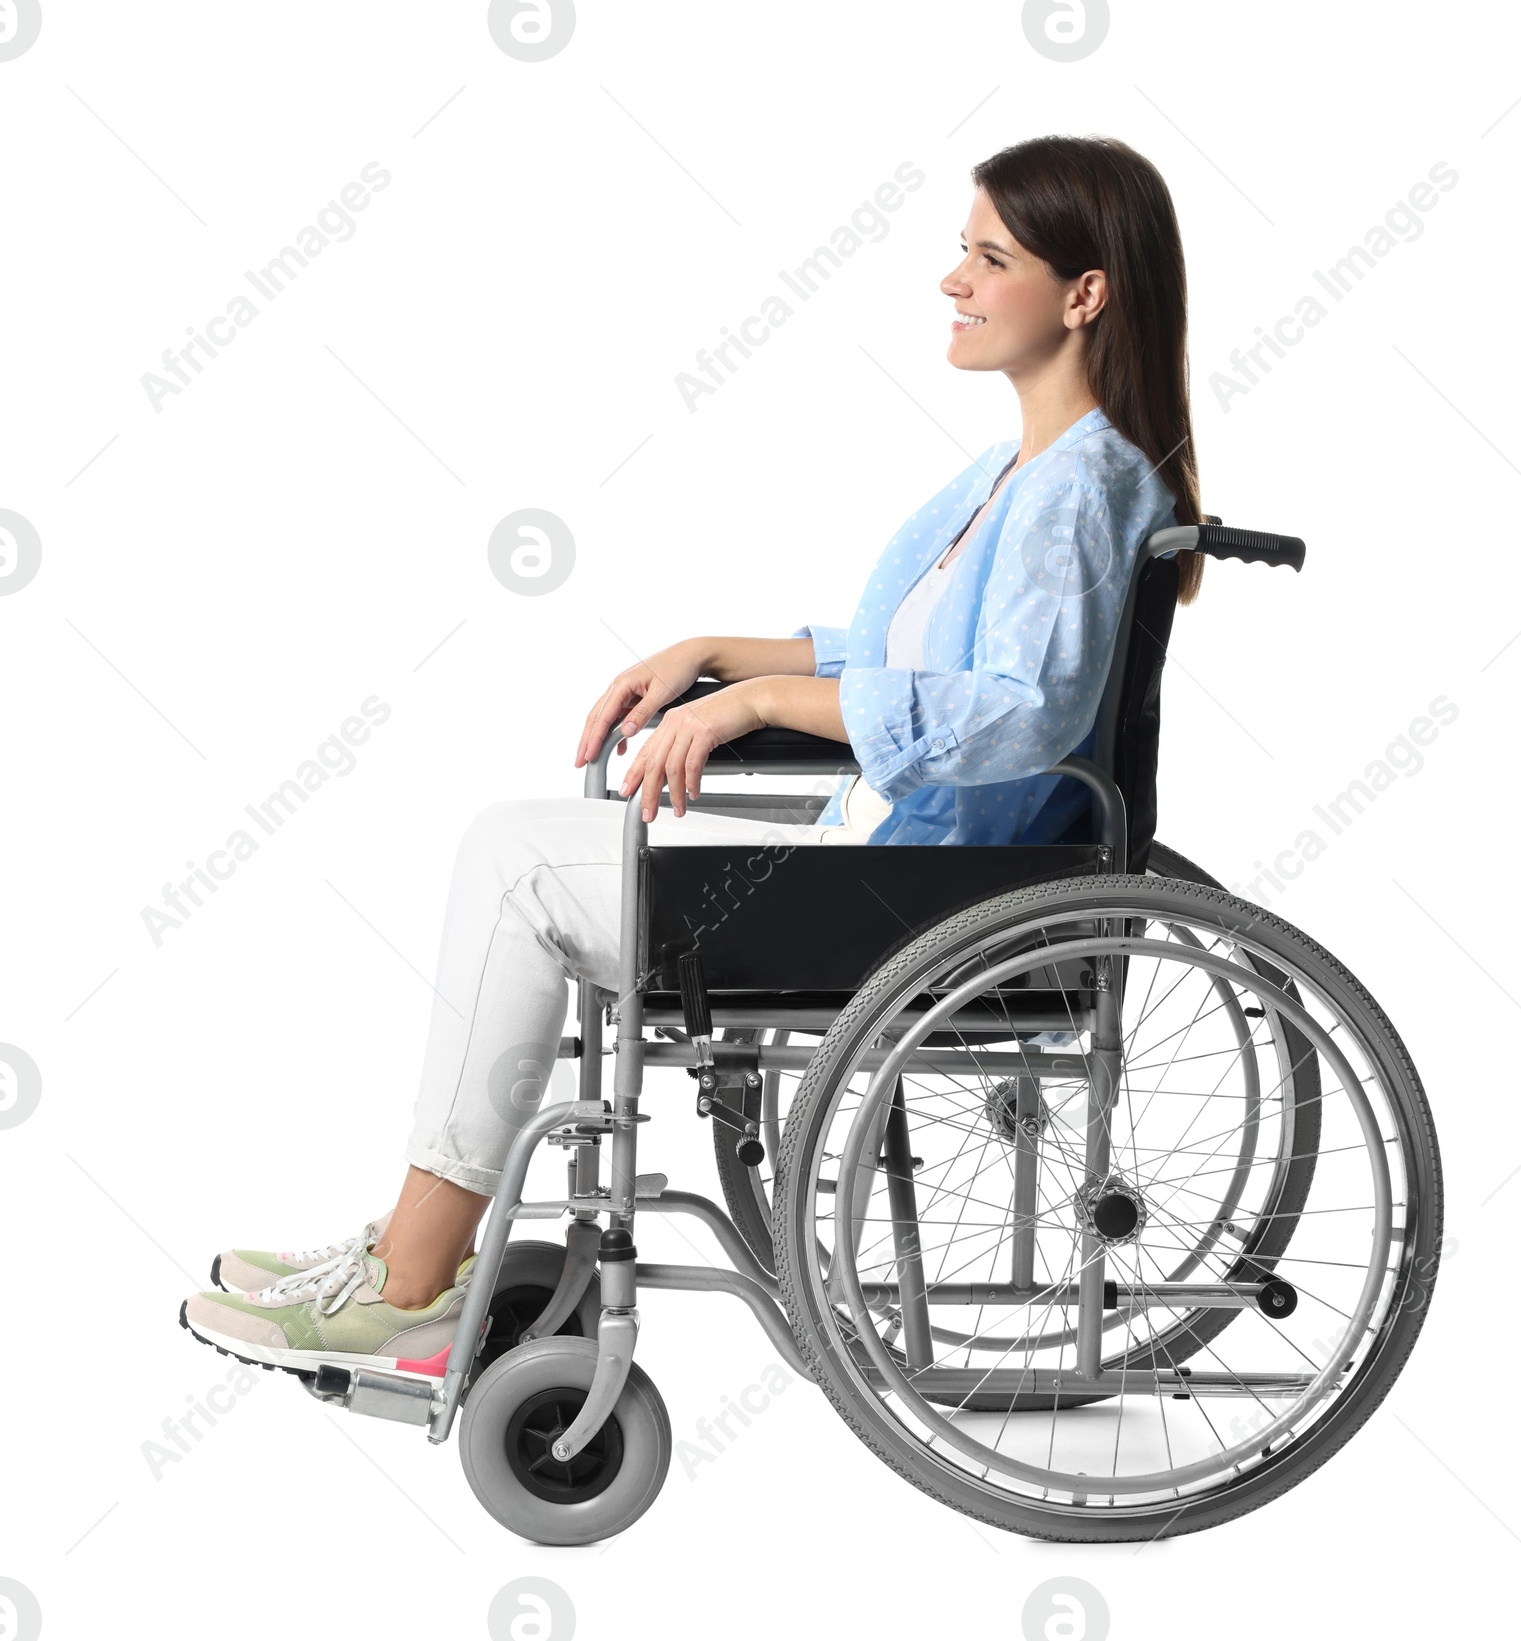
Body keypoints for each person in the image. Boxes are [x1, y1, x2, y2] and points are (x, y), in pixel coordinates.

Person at [180, 133, 1206, 1381]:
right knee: (522, 846)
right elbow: (902, 655)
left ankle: (410, 1276)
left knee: (516, 861)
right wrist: (720, 652)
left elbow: (1025, 709)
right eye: (962, 253)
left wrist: (758, 698)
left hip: (950, 908)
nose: (954, 282)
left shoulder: (1080, 486)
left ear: (1084, 294)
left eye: (989, 259)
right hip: (918, 884)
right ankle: (413, 1249)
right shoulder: (1022, 473)